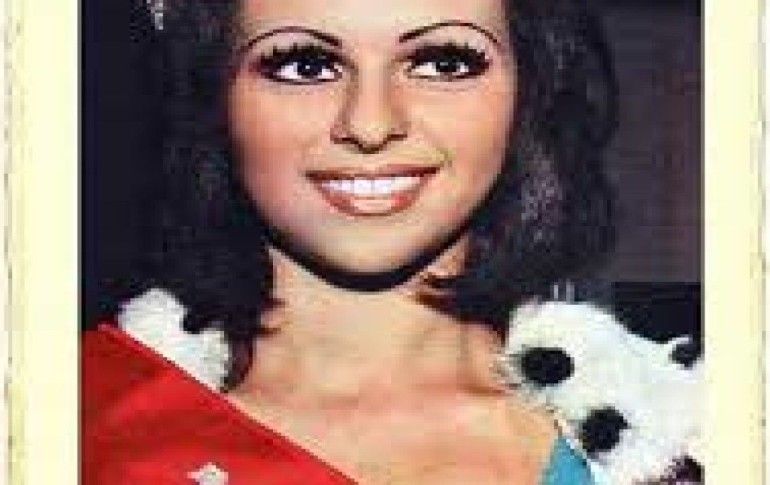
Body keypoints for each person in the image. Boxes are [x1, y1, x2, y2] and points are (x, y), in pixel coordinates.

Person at [82, 0, 616, 483]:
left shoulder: (655, 440)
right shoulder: (78, 425)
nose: (369, 125)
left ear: (531, 91)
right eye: (305, 66)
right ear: (214, 96)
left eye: (443, 63)